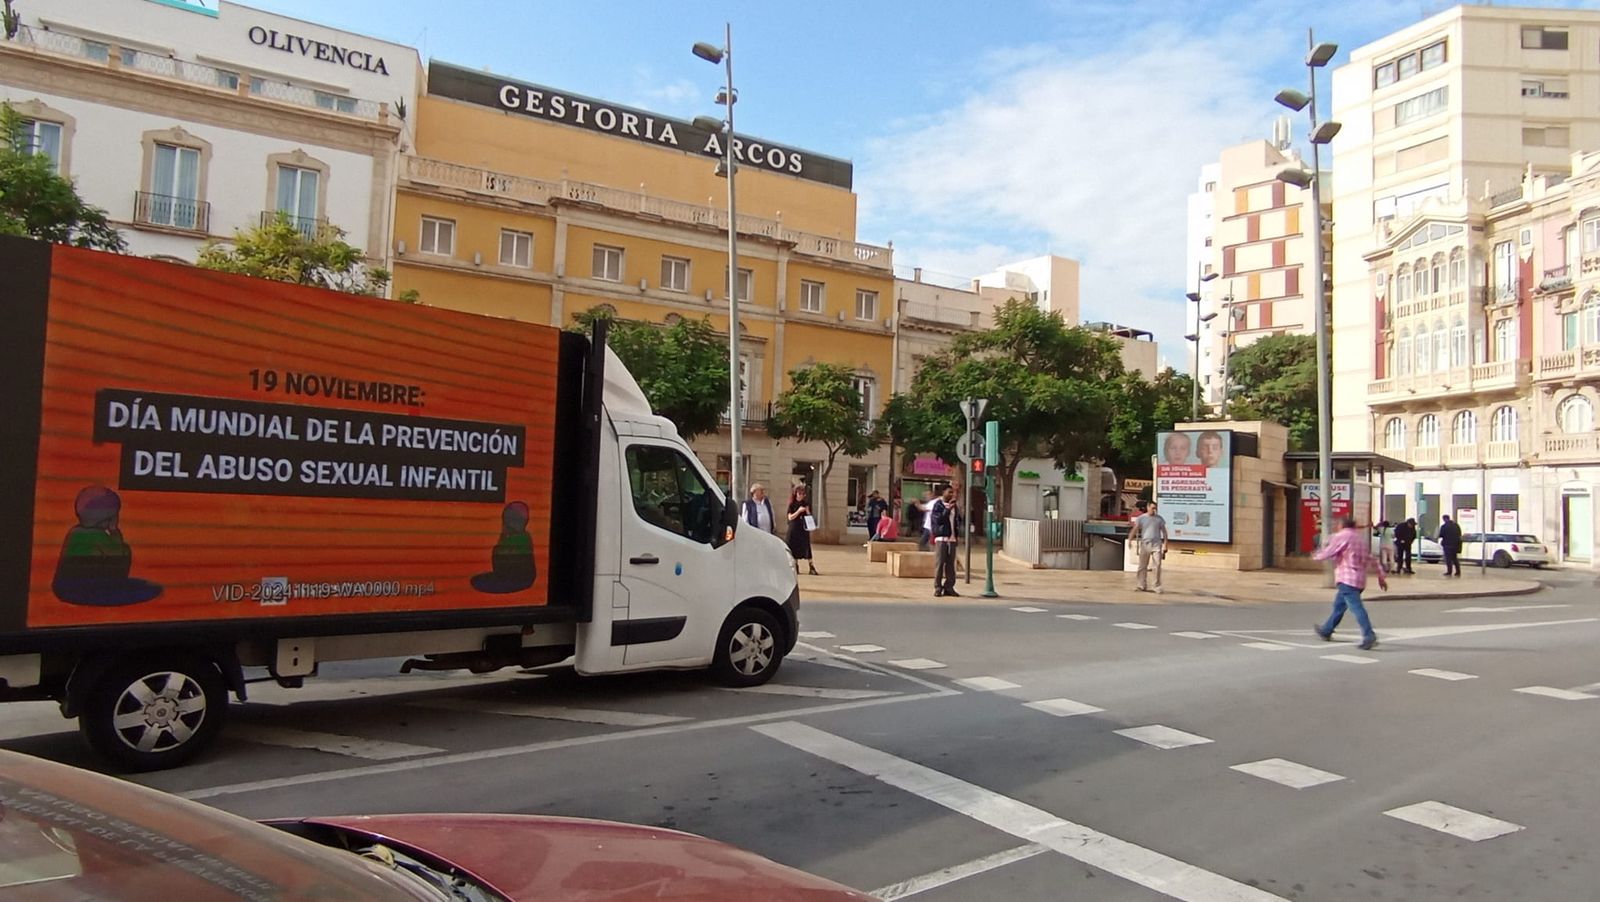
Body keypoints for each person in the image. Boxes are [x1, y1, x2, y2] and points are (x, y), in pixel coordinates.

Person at [1313, 515, 1388, 650]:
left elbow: (1330, 551)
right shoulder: (1360, 539)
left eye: (1338, 525)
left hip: (1347, 579)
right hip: (1359, 580)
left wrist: (1317, 556)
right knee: (1339, 605)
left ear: (1342, 525)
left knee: (1356, 608)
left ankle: (1369, 635)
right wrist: (1381, 577)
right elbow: (1372, 559)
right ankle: (1327, 630)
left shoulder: (1343, 536)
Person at [1131, 500, 1169, 594]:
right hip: (1145, 544)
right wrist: (1130, 539)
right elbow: (1135, 529)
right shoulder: (1141, 518)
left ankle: (1156, 586)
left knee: (1157, 565)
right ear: (1148, 507)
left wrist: (1165, 544)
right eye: (1152, 508)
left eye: (1155, 508)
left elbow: (1164, 532)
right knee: (1142, 566)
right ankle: (1141, 585)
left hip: (1156, 544)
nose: (1153, 510)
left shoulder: (1159, 519)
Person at [930, 486, 960, 597]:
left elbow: (957, 520)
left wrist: (956, 536)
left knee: (951, 565)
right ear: (944, 492)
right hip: (941, 538)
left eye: (953, 492)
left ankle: (949, 587)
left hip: (952, 539)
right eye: (950, 492)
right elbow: (938, 520)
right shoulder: (938, 505)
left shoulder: (954, 506)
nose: (952, 494)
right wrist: (947, 510)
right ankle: (938, 587)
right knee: (939, 563)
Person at [786, 484, 818, 575]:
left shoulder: (806, 504)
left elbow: (809, 516)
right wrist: (798, 511)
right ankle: (795, 565)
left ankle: (811, 566)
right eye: (799, 493)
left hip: (803, 528)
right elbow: (790, 517)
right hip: (794, 527)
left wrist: (807, 511)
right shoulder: (792, 504)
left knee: (806, 546)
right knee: (794, 546)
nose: (801, 495)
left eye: (802, 493)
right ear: (795, 494)